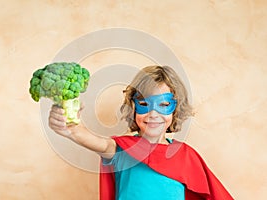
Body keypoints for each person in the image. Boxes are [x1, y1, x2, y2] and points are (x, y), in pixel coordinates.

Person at [48, 65, 233, 200]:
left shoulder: (186, 156)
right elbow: (98, 142)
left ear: (175, 110)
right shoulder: (121, 150)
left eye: (164, 105)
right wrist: (71, 128)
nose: (153, 114)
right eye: (144, 104)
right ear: (133, 108)